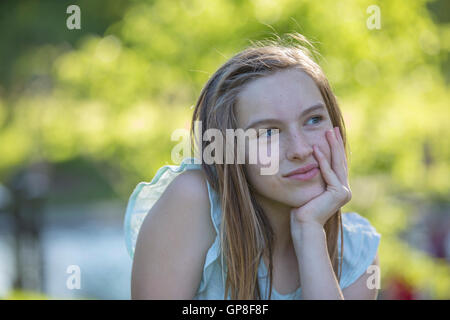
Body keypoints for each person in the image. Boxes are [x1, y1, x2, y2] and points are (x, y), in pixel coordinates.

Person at [124, 33, 381, 300]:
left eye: (314, 120)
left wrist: (309, 231)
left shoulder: (355, 252)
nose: (300, 150)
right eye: (268, 132)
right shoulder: (193, 203)